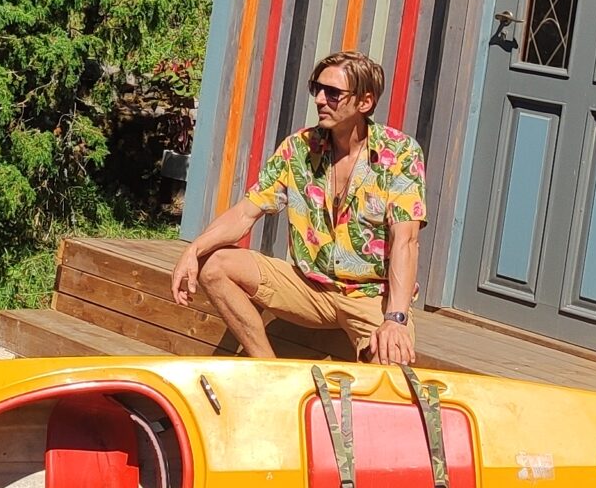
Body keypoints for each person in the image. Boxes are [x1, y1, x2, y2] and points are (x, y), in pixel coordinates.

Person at [169, 50, 427, 364]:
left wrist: (396, 318)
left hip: (370, 296)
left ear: (365, 102)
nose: (320, 99)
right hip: (310, 287)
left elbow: (406, 240)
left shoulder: (399, 153)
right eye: (316, 89)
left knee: (391, 371)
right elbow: (246, 212)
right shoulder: (300, 148)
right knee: (214, 265)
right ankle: (269, 369)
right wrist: (193, 250)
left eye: (333, 93)